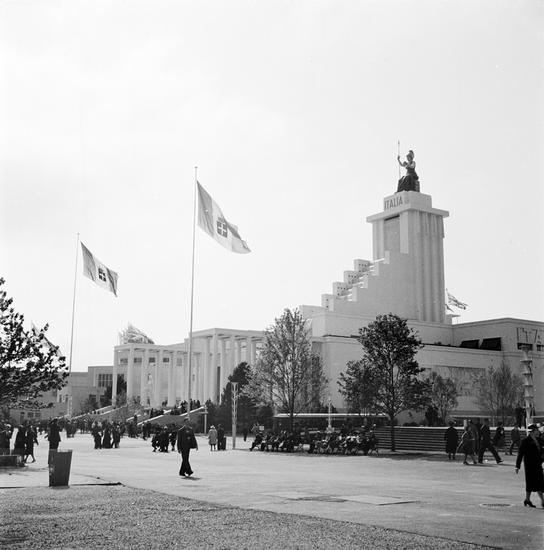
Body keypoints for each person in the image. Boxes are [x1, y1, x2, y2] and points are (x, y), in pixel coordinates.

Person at [515, 424, 544, 508]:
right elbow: (520, 454)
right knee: (530, 483)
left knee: (540, 482)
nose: (538, 431)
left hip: (538, 464)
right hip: (529, 465)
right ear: (532, 431)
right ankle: (541, 501)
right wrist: (517, 466)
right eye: (536, 430)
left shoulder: (539, 439)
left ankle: (528, 500)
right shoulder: (525, 441)